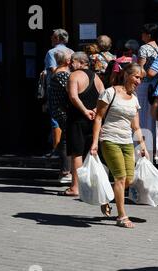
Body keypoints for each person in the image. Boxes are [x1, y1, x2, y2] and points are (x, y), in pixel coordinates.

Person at [90, 63, 149, 228]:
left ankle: (106, 195)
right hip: (109, 139)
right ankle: (122, 216)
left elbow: (136, 126)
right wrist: (95, 142)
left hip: (127, 141)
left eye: (141, 79)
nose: (139, 81)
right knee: (120, 178)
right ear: (126, 75)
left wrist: (142, 144)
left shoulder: (134, 98)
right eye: (136, 77)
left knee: (128, 180)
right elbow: (98, 118)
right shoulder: (110, 92)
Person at [59, 52, 104, 197]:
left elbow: (73, 96)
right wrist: (96, 110)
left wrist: (85, 111)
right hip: (94, 120)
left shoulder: (74, 76)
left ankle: (75, 187)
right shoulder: (96, 77)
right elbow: (104, 96)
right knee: (90, 152)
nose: (70, 64)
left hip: (77, 119)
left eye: (73, 61)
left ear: (81, 62)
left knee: (76, 153)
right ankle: (90, 185)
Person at [44, 29, 74, 158]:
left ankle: (57, 149)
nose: (51, 38)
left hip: (55, 87)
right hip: (70, 87)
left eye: (52, 37)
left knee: (55, 118)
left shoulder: (52, 52)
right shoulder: (71, 52)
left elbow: (53, 69)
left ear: (57, 38)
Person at [136, 24, 158, 157]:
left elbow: (140, 70)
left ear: (149, 35)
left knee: (141, 117)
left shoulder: (144, 48)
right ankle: (154, 148)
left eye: (143, 33)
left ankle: (142, 148)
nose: (141, 36)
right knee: (152, 117)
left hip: (144, 85)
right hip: (157, 85)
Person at [48, 49, 72, 184]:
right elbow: (70, 91)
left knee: (65, 138)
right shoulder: (62, 74)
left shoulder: (58, 72)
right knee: (65, 139)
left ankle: (65, 170)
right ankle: (65, 171)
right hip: (63, 110)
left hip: (59, 110)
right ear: (67, 61)